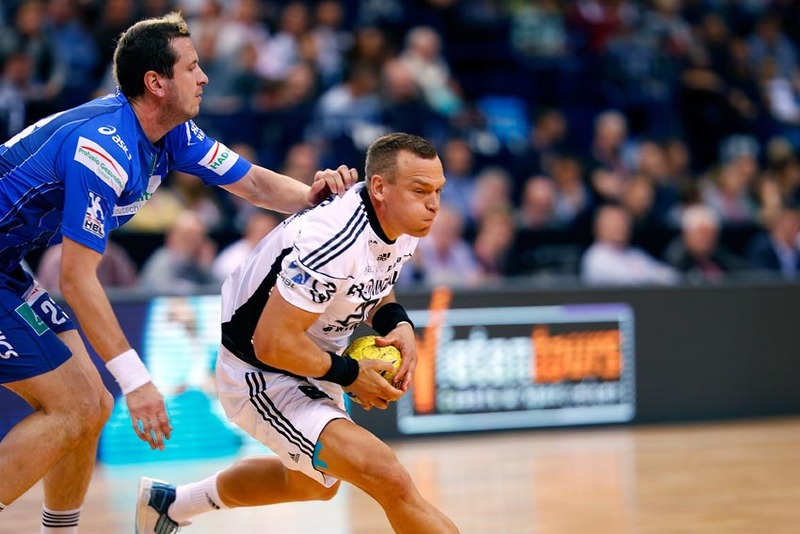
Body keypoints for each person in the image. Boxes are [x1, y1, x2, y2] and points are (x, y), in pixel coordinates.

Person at [0, 11, 356, 532]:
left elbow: (255, 185)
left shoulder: (173, 133)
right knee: (73, 407)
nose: (204, 77)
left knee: (93, 405)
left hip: (8, 263)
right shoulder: (102, 149)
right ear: (156, 83)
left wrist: (312, 197)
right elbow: (76, 280)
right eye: (192, 67)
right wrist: (139, 381)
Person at [135, 132, 459, 534]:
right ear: (380, 188)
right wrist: (352, 374)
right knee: (387, 475)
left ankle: (171, 505)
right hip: (259, 371)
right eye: (420, 190)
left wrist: (399, 324)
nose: (433, 203)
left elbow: (374, 282)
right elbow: (272, 343)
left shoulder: (401, 223)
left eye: (438, 191)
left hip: (311, 361)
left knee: (314, 485)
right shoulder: (334, 238)